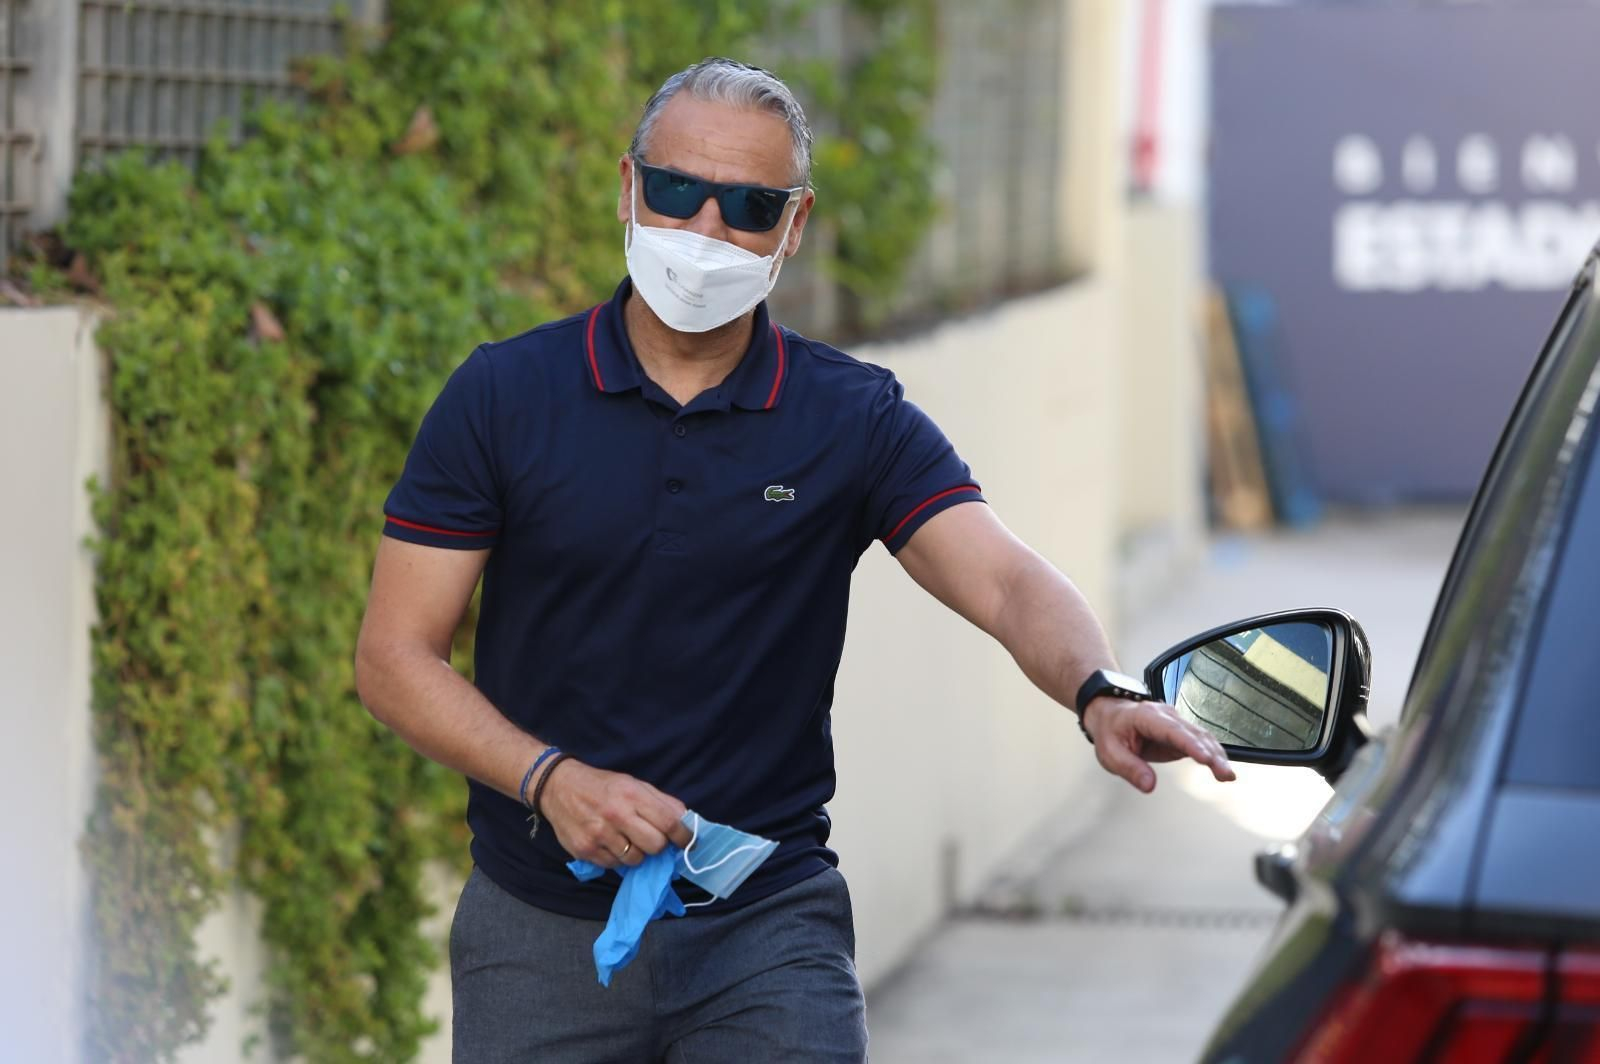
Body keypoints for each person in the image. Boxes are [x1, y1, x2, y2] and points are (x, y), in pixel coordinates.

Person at [354, 56, 1234, 1064]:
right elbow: (393, 656)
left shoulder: (850, 417)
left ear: (795, 225)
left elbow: (1002, 575)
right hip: (538, 929)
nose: (707, 233)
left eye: (749, 206)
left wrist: (1099, 689)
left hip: (766, 928)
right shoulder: (504, 397)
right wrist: (549, 777)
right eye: (678, 192)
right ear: (629, 188)